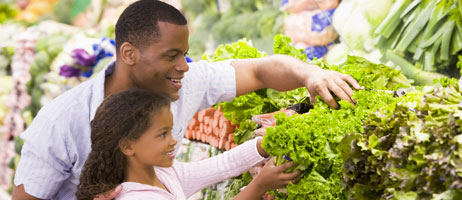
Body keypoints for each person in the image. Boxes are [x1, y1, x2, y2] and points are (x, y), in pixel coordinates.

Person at [12, 0, 360, 199]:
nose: (184, 67)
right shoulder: (60, 122)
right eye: (171, 55)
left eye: (186, 54)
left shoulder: (159, 171)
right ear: (129, 53)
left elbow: (259, 71)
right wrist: (258, 186)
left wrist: (310, 75)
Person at [76, 88, 300, 200]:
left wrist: (265, 143)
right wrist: (258, 186)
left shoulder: (160, 175)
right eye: (162, 134)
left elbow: (223, 164)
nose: (174, 141)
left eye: (171, 131)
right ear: (127, 146)